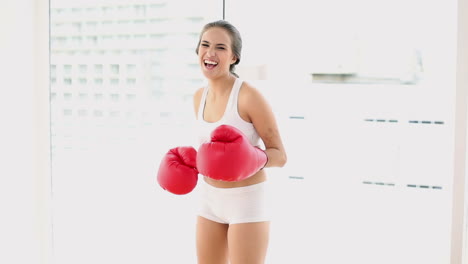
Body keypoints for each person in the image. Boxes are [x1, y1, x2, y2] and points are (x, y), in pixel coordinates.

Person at [157, 20, 287, 264]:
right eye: (205, 45)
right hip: (209, 200)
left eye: (220, 47)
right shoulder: (199, 97)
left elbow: (280, 155)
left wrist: (253, 158)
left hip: (247, 202)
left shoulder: (249, 96)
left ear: (234, 57)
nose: (211, 53)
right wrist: (192, 163)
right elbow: (214, 153)